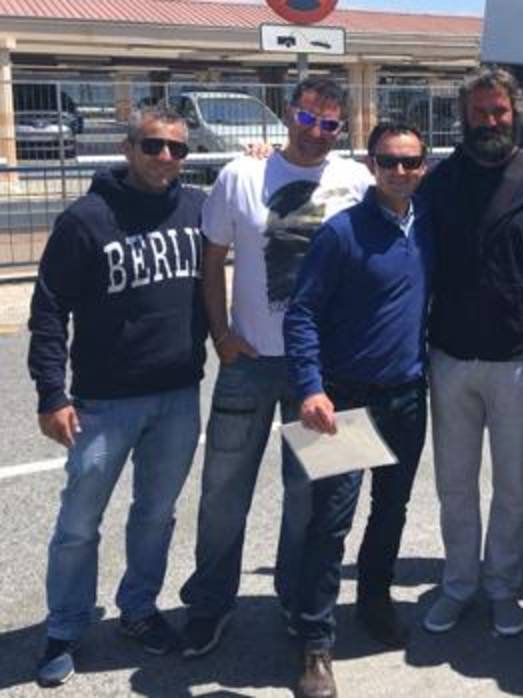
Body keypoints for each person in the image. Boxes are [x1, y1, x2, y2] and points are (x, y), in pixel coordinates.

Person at [179, 77, 373, 657]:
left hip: (328, 372)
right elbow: (212, 260)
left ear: (342, 129)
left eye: (329, 124)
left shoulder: (358, 181)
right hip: (251, 361)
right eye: (307, 118)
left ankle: (299, 600)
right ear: (289, 115)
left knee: (311, 498)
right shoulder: (241, 175)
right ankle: (210, 604)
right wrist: (221, 334)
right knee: (221, 494)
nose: (315, 132)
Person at [27, 104, 207, 687]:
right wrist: (51, 393)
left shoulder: (198, 209)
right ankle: (66, 625)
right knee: (80, 521)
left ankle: (138, 609)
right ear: (128, 148)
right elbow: (49, 310)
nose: (166, 158)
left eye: (178, 149)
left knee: (155, 516)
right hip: (104, 402)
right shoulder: (86, 219)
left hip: (178, 394)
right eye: (154, 146)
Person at [418, 64, 523, 638]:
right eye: (480, 112)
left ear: (516, 115)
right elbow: (418, 270)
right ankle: (459, 585)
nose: (490, 121)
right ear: (464, 116)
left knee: (513, 485)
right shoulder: (436, 182)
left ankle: (502, 587)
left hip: (519, 359)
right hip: (450, 357)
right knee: (454, 484)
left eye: (499, 112)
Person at [283, 122, 434, 698]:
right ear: (372, 165)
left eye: (411, 161)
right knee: (331, 521)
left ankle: (374, 600)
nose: (401, 171)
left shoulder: (428, 227)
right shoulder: (342, 233)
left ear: (423, 166)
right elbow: (302, 314)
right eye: (389, 161)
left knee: (391, 509)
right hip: (344, 397)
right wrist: (310, 387)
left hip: (406, 393)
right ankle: (315, 642)